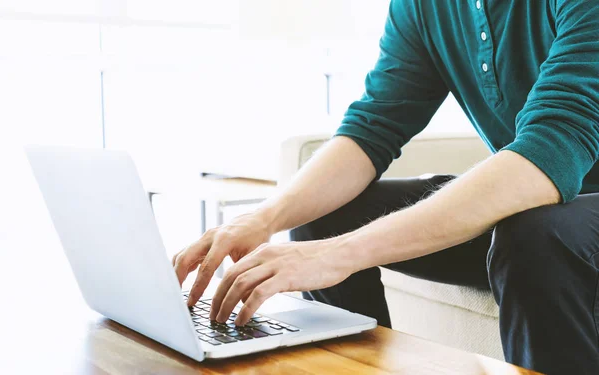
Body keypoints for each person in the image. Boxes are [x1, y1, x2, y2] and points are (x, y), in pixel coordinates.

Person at [172, 1, 599, 373]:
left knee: (535, 235)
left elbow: (550, 153)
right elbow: (373, 127)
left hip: (555, 218)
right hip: (536, 208)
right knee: (326, 217)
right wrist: (263, 218)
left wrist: (339, 254)